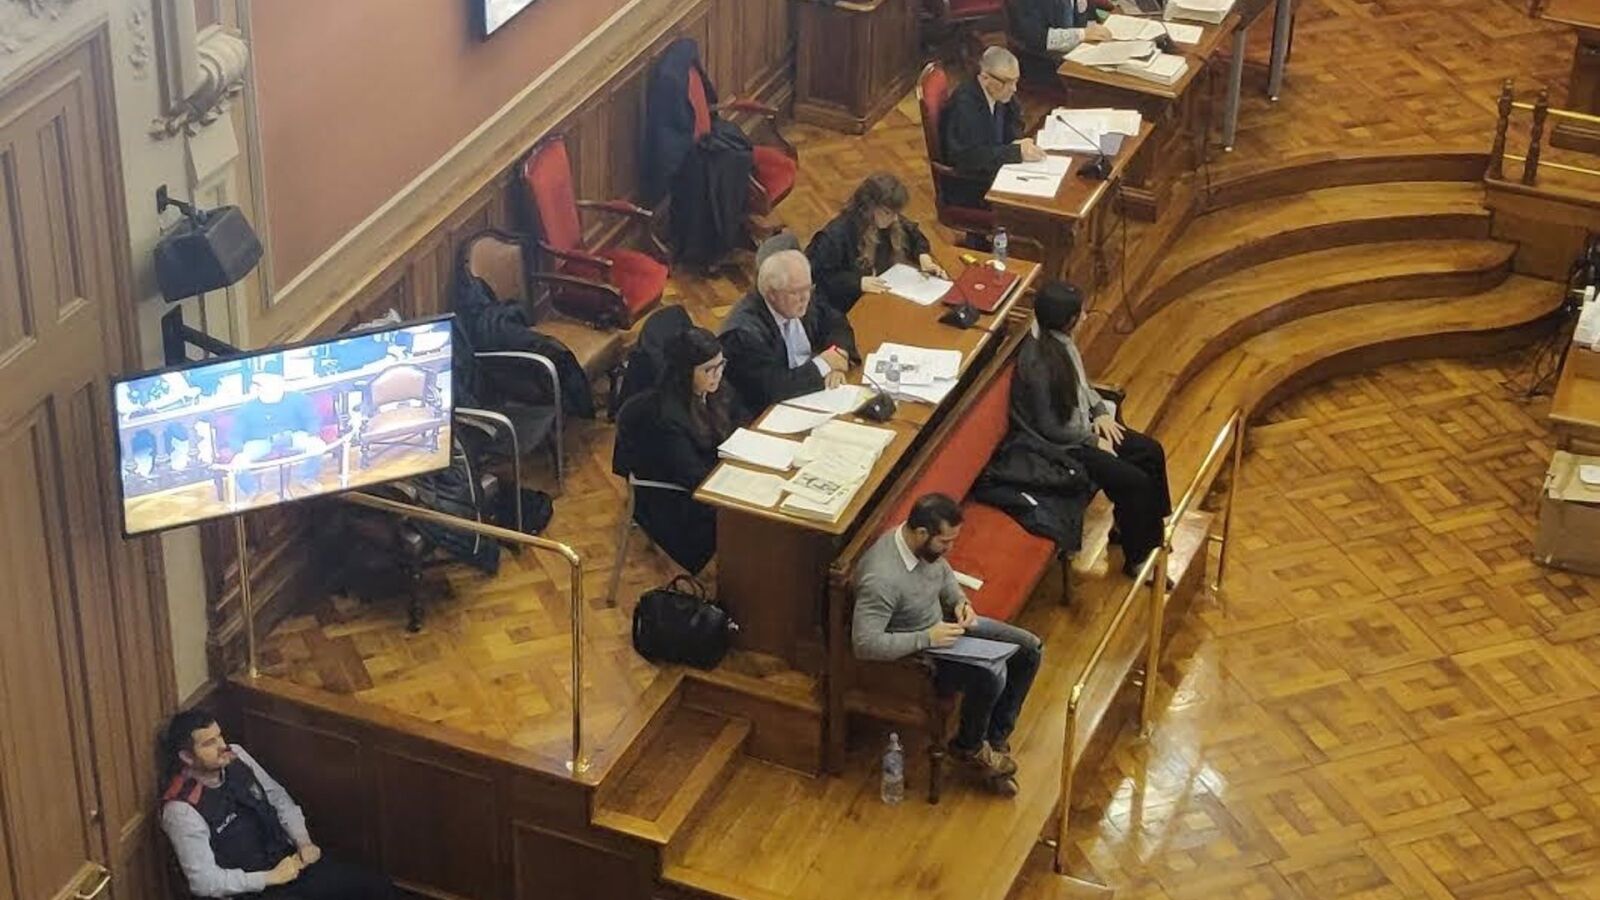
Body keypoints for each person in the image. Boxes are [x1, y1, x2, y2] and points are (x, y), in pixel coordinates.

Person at [852, 494, 1043, 796]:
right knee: (993, 673)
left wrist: (959, 602)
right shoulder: (881, 579)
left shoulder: (922, 547)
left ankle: (994, 740)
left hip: (946, 627)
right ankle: (969, 747)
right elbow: (865, 644)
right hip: (921, 657)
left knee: (1030, 649)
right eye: (945, 542)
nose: (949, 549)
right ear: (921, 533)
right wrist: (928, 637)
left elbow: (942, 573)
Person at [1011, 281, 1172, 580]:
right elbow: (1051, 428)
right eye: (1081, 312)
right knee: (1133, 481)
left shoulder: (1060, 341)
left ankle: (1146, 528)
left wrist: (1099, 411)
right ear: (1069, 320)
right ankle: (1139, 558)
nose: (1086, 316)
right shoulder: (1039, 364)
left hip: (1081, 428)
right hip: (1060, 449)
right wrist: (1094, 439)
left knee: (1150, 451)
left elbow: (1081, 386)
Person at [159, 709, 394, 899]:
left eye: (220, 736)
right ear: (187, 757)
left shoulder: (236, 755)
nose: (222, 746)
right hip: (253, 889)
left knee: (375, 886)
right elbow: (203, 882)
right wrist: (269, 878)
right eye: (209, 743)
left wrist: (303, 842)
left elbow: (278, 798)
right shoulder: (181, 810)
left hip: (289, 860)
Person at [625, 327, 748, 573]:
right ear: (685, 372)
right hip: (680, 501)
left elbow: (741, 415)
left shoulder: (715, 388)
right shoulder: (667, 417)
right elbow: (693, 476)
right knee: (753, 523)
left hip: (718, 468)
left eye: (721, 364)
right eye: (708, 369)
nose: (718, 374)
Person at [718, 248, 859, 410]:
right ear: (771, 294)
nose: (805, 298)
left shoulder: (798, 296)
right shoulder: (742, 335)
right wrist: (824, 365)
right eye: (796, 292)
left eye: (808, 288)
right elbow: (772, 388)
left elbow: (836, 323)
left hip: (810, 390)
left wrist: (838, 355)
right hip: (768, 411)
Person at [806, 173, 949, 314]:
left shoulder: (886, 220)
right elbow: (820, 275)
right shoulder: (836, 235)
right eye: (888, 212)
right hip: (844, 307)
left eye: (896, 213)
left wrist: (923, 257)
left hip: (879, 296)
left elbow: (914, 235)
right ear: (869, 207)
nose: (895, 219)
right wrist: (857, 283)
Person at [940, 46, 1045, 209]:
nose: (1014, 88)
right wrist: (1014, 152)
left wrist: (1016, 142)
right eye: (1007, 82)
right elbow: (969, 157)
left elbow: (1015, 120)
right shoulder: (964, 107)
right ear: (985, 78)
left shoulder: (1000, 92)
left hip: (996, 168)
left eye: (1016, 80)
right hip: (972, 186)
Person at [230, 361, 327, 496]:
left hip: (293, 436)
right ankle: (251, 490)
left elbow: (312, 419)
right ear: (259, 389)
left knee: (317, 445)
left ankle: (307, 478)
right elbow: (235, 434)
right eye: (268, 385)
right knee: (239, 462)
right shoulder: (246, 408)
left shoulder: (298, 399)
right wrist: (239, 452)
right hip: (261, 441)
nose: (272, 388)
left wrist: (313, 434)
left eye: (275, 384)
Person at [1009, 0, 1114, 59]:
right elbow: (1035, 37)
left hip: (1078, 52)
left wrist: (1095, 32)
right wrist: (1081, 35)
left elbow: (1088, 14)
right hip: (1043, 60)